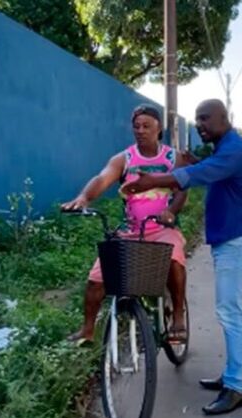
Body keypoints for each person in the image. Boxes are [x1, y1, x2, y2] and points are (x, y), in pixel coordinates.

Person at [122, 99, 242, 415]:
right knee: (238, 310)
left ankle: (236, 387)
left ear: (224, 118)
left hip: (238, 238)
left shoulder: (235, 150)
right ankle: (237, 374)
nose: (200, 124)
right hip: (233, 237)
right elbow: (207, 169)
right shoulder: (225, 149)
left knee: (231, 311)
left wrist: (152, 181)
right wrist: (191, 164)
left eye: (205, 118)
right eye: (198, 119)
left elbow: (200, 174)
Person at [62, 103, 189, 346]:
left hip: (162, 230)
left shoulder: (174, 158)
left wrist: (171, 211)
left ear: (159, 128)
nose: (141, 131)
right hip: (131, 231)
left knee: (174, 259)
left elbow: (182, 190)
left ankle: (178, 317)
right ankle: (87, 330)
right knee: (97, 278)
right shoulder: (124, 159)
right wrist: (84, 198)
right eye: (136, 126)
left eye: (146, 126)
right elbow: (102, 179)